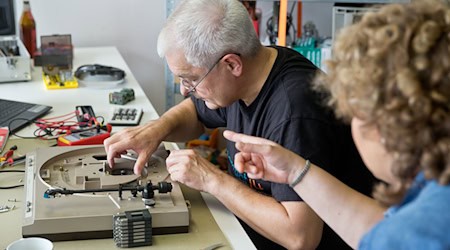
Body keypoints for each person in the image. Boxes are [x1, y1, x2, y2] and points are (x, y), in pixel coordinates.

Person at [104, 0, 374, 249]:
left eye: (190, 80)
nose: (186, 91)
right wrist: (155, 130)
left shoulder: (294, 112)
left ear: (231, 64)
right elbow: (195, 113)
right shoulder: (252, 69)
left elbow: (300, 236)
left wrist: (211, 179)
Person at [224, 0, 450, 249]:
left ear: (382, 125)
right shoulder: (432, 195)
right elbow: (378, 226)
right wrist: (296, 171)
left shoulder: (416, 235)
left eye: (352, 113)